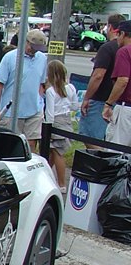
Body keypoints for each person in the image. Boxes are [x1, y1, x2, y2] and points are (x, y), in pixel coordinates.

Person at [0, 29, 48, 153]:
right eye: (32, 47)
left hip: (34, 110)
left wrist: (40, 102)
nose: (34, 50)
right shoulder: (10, 57)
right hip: (11, 111)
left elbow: (41, 83)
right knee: (10, 145)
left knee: (31, 143)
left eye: (38, 48)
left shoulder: (42, 59)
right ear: (26, 42)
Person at [81, 13, 127, 149]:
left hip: (100, 99)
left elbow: (98, 75)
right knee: (112, 139)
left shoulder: (107, 48)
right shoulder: (125, 49)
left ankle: (100, 166)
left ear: (111, 27)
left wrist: (86, 98)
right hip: (118, 102)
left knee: (89, 136)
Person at [42, 60, 78, 191]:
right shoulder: (71, 88)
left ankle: (62, 184)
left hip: (55, 122)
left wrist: (47, 128)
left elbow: (50, 112)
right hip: (67, 119)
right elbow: (75, 106)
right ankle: (46, 175)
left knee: (57, 153)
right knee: (53, 152)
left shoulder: (51, 91)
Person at [101, 21, 131, 147]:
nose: (117, 38)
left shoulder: (124, 51)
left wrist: (108, 104)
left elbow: (123, 80)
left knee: (117, 152)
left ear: (123, 34)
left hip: (126, 108)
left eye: (118, 34)